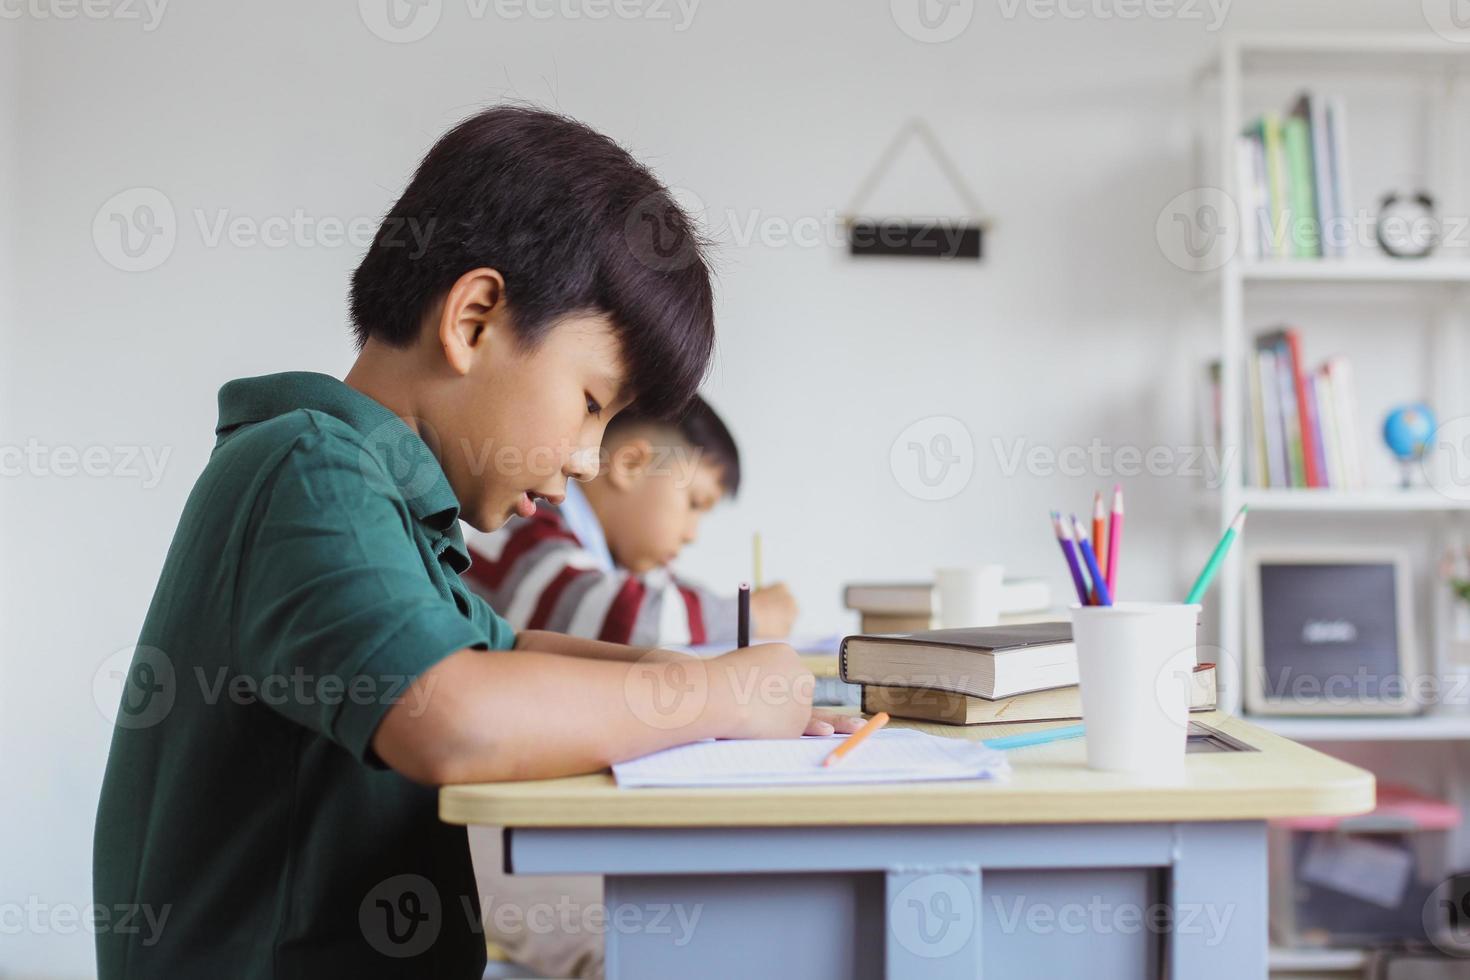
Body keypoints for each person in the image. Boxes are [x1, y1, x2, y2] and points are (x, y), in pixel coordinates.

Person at [93, 105, 860, 979]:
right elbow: (449, 715)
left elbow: (510, 650)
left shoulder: (391, 506)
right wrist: (719, 700)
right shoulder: (311, 471)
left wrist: (698, 678)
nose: (584, 458)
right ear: (474, 319)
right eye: (589, 403)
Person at [465, 395, 798, 646]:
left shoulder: (603, 557)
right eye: (694, 504)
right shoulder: (523, 530)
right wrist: (750, 616)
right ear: (631, 465)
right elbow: (628, 617)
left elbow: (663, 592)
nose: (692, 534)